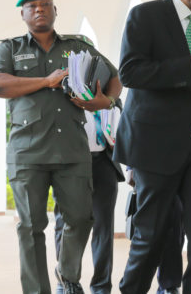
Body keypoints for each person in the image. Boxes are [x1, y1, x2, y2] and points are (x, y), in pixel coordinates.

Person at [0, 0, 114, 294]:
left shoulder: (78, 46)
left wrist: (105, 101)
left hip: (72, 150)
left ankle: (67, 277)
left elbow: (114, 74)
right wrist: (45, 81)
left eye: (46, 5)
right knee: (30, 228)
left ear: (56, 11)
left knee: (82, 218)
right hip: (27, 153)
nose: (40, 9)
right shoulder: (10, 49)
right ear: (23, 14)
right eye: (33, 7)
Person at [113, 0, 191, 293]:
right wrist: (190, 63)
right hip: (155, 146)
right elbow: (130, 72)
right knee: (152, 234)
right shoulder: (145, 16)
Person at [54, 83, 125, 294]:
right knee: (64, 224)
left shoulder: (110, 95)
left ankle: (101, 286)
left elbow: (123, 126)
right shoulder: (64, 91)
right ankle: (65, 281)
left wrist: (117, 140)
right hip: (71, 163)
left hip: (104, 162)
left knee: (104, 229)